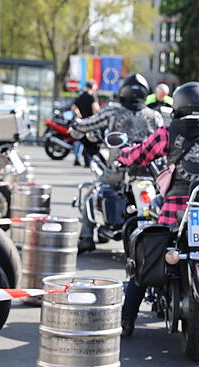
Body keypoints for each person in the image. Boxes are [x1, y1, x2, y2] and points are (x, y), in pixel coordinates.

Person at [115, 81, 199, 337]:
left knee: (146, 253)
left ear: (178, 105)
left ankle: (127, 319)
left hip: (173, 216)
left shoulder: (167, 133)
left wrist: (122, 154)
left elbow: (138, 155)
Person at [70, 73, 165, 253]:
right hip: (150, 171)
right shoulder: (155, 116)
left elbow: (87, 124)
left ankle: (86, 237)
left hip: (118, 170)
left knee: (90, 192)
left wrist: (75, 126)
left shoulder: (113, 111)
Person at [71, 80, 101, 166]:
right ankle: (89, 161)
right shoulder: (92, 96)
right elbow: (96, 109)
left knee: (79, 140)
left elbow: (73, 107)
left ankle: (77, 158)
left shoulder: (81, 96)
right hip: (90, 122)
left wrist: (79, 114)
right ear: (93, 87)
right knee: (89, 141)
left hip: (81, 122)